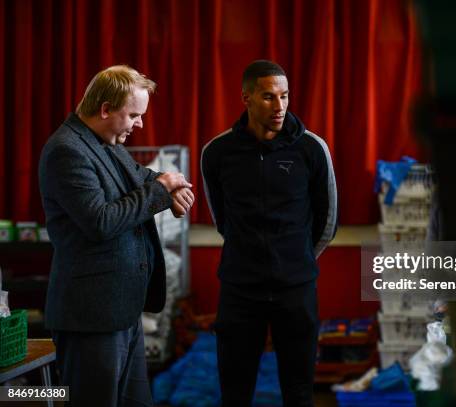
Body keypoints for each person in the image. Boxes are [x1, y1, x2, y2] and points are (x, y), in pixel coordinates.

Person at [38, 65, 194, 406]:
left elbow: (140, 174)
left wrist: (171, 185)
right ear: (106, 109)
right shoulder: (67, 150)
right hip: (90, 317)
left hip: (121, 311)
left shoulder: (104, 141)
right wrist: (159, 193)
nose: (140, 124)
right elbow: (100, 221)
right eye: (134, 115)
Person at [201, 60, 338, 406]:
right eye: (268, 97)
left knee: (299, 391)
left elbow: (328, 220)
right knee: (234, 392)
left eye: (284, 96)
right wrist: (249, 254)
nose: (279, 106)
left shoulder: (312, 149)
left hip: (296, 289)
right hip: (240, 290)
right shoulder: (217, 152)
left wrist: (296, 259)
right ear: (246, 98)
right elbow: (222, 218)